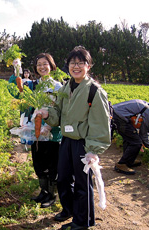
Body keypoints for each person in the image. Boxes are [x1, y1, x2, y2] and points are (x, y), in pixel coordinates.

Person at [37, 46, 111, 229]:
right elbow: (58, 113)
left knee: (82, 184)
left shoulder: (95, 91)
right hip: (67, 141)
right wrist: (47, 114)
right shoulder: (65, 87)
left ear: (88, 66)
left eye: (80, 63)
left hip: (84, 144)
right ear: (68, 66)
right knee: (62, 179)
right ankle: (68, 209)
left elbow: (100, 124)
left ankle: (82, 222)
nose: (76, 66)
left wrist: (93, 150)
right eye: (72, 63)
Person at [30, 53, 62, 208]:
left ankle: (51, 195)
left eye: (45, 64)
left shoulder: (57, 86)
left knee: (51, 163)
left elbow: (60, 109)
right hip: (36, 130)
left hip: (51, 131)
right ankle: (43, 191)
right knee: (38, 162)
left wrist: (49, 126)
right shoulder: (35, 85)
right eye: (39, 64)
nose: (42, 67)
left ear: (51, 66)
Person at [112, 100, 149, 175]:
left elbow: (138, 129)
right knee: (136, 142)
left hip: (115, 112)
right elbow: (144, 133)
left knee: (130, 138)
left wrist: (142, 140)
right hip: (118, 116)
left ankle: (129, 161)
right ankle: (122, 164)